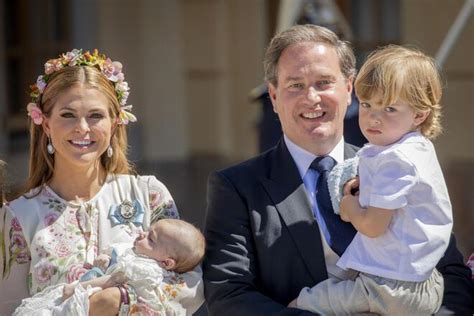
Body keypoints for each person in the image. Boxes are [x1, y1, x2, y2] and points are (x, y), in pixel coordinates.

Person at [202, 24, 474, 315]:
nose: (312, 98)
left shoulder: (397, 167)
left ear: (348, 89)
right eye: (295, 85)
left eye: (323, 82)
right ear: (273, 97)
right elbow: (228, 294)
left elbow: (451, 276)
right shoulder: (236, 186)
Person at [0, 49, 203, 315]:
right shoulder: (19, 216)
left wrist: (116, 301)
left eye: (95, 115)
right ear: (46, 124)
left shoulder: (148, 195)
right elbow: (10, 309)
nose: (82, 128)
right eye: (68, 115)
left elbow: (190, 286)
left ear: (114, 122)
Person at [289, 45, 452, 315]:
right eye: (366, 104)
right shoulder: (417, 147)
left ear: (419, 114)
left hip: (389, 287)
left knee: (302, 304)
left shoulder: (394, 160)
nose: (373, 118)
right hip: (424, 282)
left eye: (389, 108)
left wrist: (350, 209)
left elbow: (373, 226)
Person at [12, 218, 205, 315]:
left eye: (151, 238)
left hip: (87, 293)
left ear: (166, 262)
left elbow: (110, 280)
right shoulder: (136, 254)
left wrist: (79, 287)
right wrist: (104, 259)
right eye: (147, 230)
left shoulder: (147, 270)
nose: (142, 234)